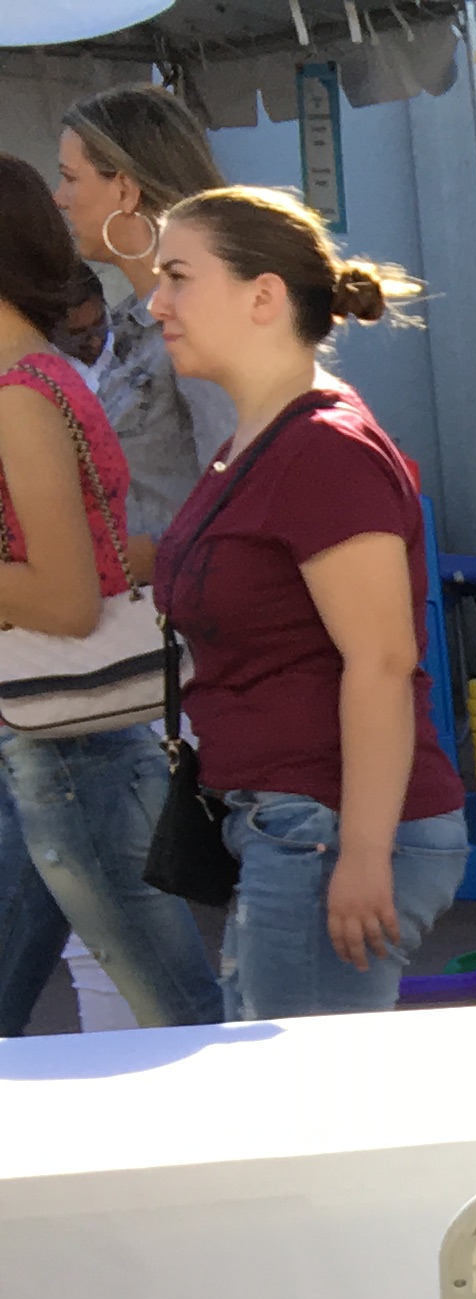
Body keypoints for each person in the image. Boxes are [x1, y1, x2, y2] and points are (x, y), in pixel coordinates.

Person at [146, 188, 463, 1017]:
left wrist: (362, 854)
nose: (156, 304)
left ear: (263, 296)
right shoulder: (259, 440)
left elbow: (382, 660)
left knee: (306, 1090)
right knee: (274, 1080)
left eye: (178, 277)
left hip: (324, 828)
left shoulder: (323, 449)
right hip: (290, 825)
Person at [0, 157, 216, 1029]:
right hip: (52, 733)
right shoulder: (40, 377)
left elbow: (66, 599)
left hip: (64, 738)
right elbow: (97, 559)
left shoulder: (20, 395)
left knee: (177, 1008)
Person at [48, 87, 232, 586]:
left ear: (126, 190)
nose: (58, 198)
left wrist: (66, 570)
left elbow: (238, 510)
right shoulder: (134, 323)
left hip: (184, 621)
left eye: (70, 178)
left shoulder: (200, 323)